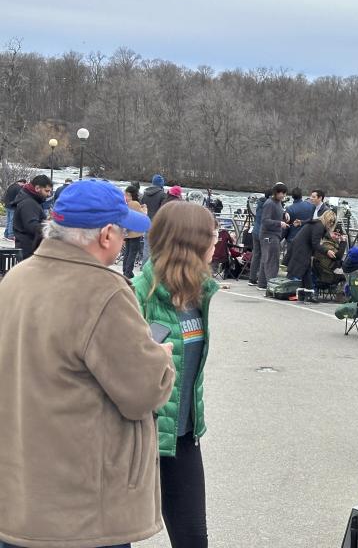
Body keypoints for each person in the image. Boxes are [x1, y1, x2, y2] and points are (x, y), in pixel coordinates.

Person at [0, 180, 174, 548]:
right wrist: (161, 357)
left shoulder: (15, 280)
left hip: (18, 502)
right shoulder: (104, 291)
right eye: (123, 230)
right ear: (106, 234)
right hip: (81, 514)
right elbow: (143, 392)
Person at [132, 201, 219, 548]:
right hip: (139, 436)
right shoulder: (138, 294)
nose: (217, 242)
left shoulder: (201, 294)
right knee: (113, 535)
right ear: (191, 242)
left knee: (193, 539)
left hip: (182, 437)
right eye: (211, 236)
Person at [284, 209, 337, 293]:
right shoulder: (319, 226)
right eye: (330, 221)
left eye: (333, 222)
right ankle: (288, 289)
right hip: (302, 249)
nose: (331, 224)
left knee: (305, 270)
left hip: (300, 246)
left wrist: (301, 222)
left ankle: (307, 292)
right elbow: (315, 243)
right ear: (326, 219)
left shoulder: (317, 223)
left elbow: (309, 221)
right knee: (298, 270)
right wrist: (327, 251)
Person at [10, 174, 52, 259]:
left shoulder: (30, 200)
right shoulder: (29, 203)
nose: (49, 194)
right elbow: (32, 226)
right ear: (37, 188)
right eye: (47, 191)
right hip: (29, 251)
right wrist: (51, 227)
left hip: (27, 249)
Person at [256, 182, 288, 290]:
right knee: (272, 260)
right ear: (276, 192)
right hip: (269, 235)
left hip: (273, 234)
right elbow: (265, 220)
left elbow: (275, 214)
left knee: (266, 259)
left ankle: (262, 283)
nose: (283, 195)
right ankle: (271, 285)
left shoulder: (278, 203)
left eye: (284, 193)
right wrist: (279, 223)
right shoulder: (269, 203)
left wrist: (284, 214)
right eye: (281, 193)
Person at [122, 184, 149, 279]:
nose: (124, 196)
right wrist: (144, 208)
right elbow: (143, 215)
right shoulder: (135, 203)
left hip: (127, 233)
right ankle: (128, 273)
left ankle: (125, 270)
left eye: (125, 194)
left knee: (127, 253)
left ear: (129, 194)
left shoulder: (126, 204)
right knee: (132, 254)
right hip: (135, 233)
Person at [247, 191, 269, 286]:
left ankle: (252, 278)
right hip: (263, 232)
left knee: (256, 255)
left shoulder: (260, 203)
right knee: (264, 255)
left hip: (255, 231)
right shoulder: (269, 205)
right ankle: (262, 279)